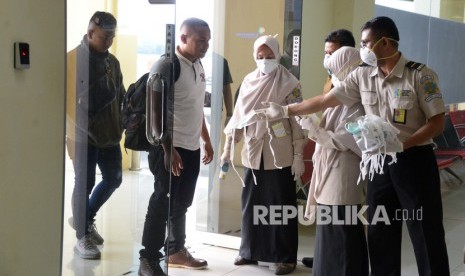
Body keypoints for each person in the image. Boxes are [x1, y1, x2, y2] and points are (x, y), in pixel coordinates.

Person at [263, 16, 450, 275]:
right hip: (378, 164)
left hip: (414, 160)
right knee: (380, 232)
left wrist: (403, 145)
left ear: (384, 42)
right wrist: (285, 110)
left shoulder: (419, 75)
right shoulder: (362, 75)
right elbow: (325, 101)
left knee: (425, 231)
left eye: (365, 43)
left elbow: (437, 123)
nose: (362, 48)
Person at [220, 34, 307, 275]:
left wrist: (299, 154)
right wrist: (227, 149)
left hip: (280, 154)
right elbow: (238, 119)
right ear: (254, 56)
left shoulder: (290, 83)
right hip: (253, 152)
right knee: (252, 203)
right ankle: (249, 250)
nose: (265, 61)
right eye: (260, 57)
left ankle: (285, 257)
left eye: (270, 56)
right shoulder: (248, 81)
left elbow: (299, 122)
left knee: (279, 207)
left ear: (278, 55)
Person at [138, 18, 214, 276]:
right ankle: (148, 258)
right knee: (162, 202)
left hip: (191, 147)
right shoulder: (167, 66)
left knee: (181, 203)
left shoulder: (198, 63)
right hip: (169, 148)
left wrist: (206, 139)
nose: (206, 45)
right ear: (182, 38)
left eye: (208, 40)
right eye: (200, 40)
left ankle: (176, 250)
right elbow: (155, 113)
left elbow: (195, 107)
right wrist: (168, 150)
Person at [300, 46, 368, 275]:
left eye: (335, 70)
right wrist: (314, 125)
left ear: (347, 68)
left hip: (343, 175)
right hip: (330, 172)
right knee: (332, 232)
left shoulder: (357, 101)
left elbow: (345, 140)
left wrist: (313, 130)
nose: (333, 76)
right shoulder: (339, 95)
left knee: (342, 233)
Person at [66, 11, 125, 260]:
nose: (109, 41)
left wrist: (125, 121)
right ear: (91, 32)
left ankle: (85, 218)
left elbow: (121, 95)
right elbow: (66, 102)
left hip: (110, 133)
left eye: (112, 36)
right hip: (82, 135)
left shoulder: (113, 63)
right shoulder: (72, 60)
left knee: (114, 179)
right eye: (105, 36)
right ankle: (82, 237)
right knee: (85, 183)